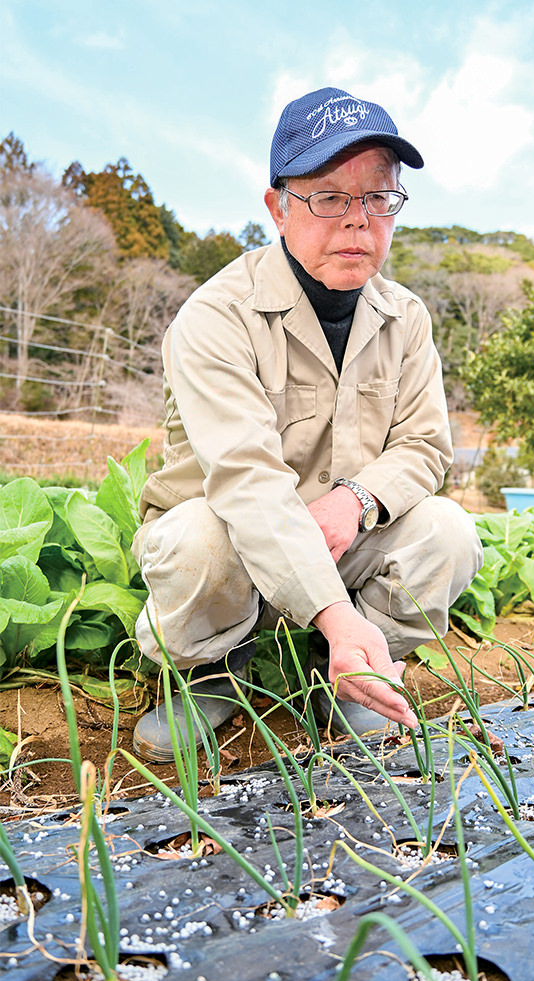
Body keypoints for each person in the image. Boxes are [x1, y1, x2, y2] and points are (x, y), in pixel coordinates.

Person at [131, 86, 483, 762]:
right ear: (278, 208)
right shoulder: (217, 315)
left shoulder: (406, 316)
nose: (358, 222)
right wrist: (334, 608)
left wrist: (358, 498)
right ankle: (211, 671)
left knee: (448, 531)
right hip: (237, 540)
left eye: (377, 198)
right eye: (328, 197)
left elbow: (423, 444)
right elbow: (246, 482)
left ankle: (352, 672)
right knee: (199, 540)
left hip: (342, 540)